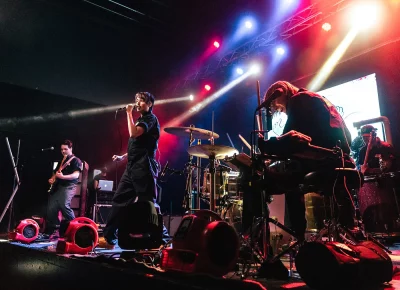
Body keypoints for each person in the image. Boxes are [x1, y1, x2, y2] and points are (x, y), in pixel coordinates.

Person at [259, 81, 355, 242]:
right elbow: (347, 139)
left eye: (275, 104)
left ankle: (295, 239)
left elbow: (290, 140)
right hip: (339, 160)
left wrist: (267, 146)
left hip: (324, 161)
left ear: (281, 92)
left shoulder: (299, 100)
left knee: (263, 181)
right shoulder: (316, 99)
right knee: (289, 174)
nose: (277, 109)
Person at [98, 92, 170, 249]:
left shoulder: (150, 119)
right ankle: (109, 237)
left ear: (150, 104)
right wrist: (124, 156)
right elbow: (138, 144)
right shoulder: (140, 120)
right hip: (132, 166)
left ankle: (163, 239)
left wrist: (129, 113)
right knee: (119, 200)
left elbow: (133, 134)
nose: (138, 103)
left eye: (142, 101)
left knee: (148, 203)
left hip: (144, 167)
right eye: (136, 100)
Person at [44, 139, 82, 238]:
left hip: (68, 186)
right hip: (58, 186)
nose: (63, 151)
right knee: (51, 208)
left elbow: (76, 175)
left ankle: (76, 228)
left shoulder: (76, 160)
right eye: (61, 149)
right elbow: (56, 173)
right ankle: (53, 230)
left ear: (71, 148)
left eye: (65, 149)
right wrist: (52, 179)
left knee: (64, 205)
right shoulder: (62, 161)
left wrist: (63, 177)